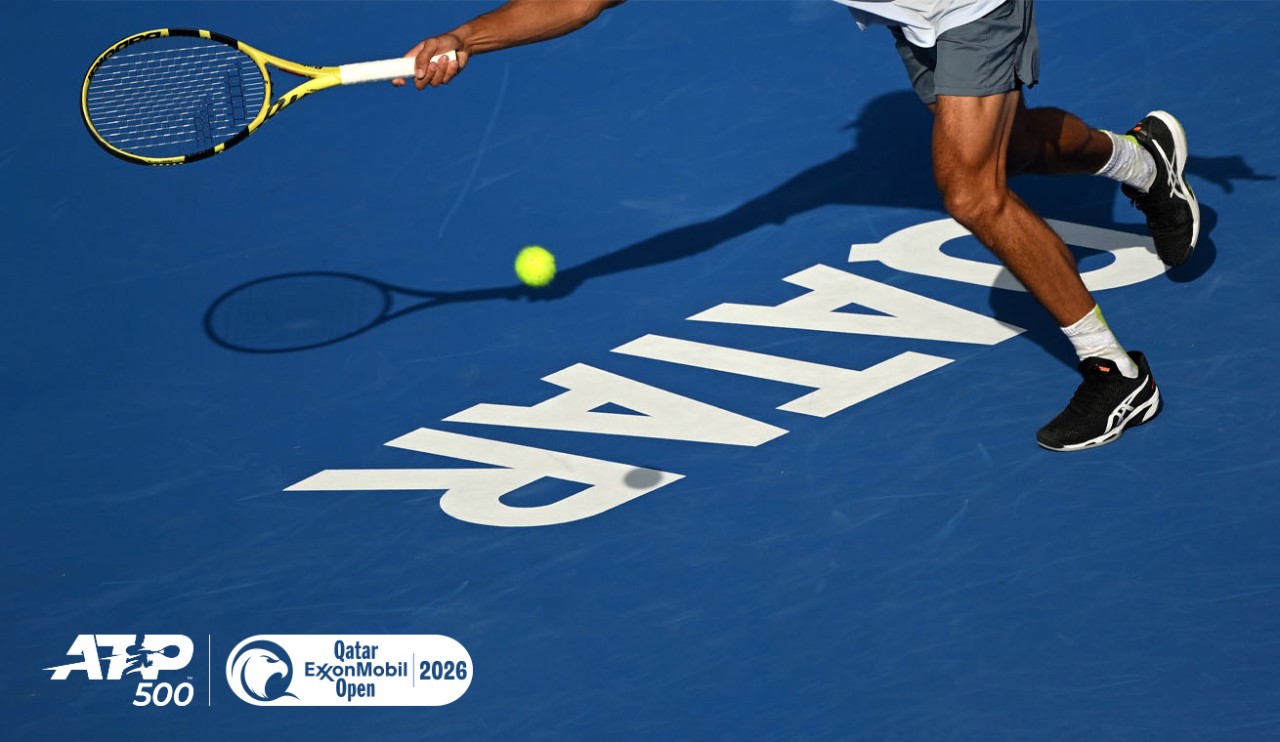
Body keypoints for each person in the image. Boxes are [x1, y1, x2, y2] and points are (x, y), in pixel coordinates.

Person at [395, 0, 1200, 452]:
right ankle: (1143, 163)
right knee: (1011, 149)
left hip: (971, 5)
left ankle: (1116, 373)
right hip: (916, 18)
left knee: (971, 193)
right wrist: (465, 38)